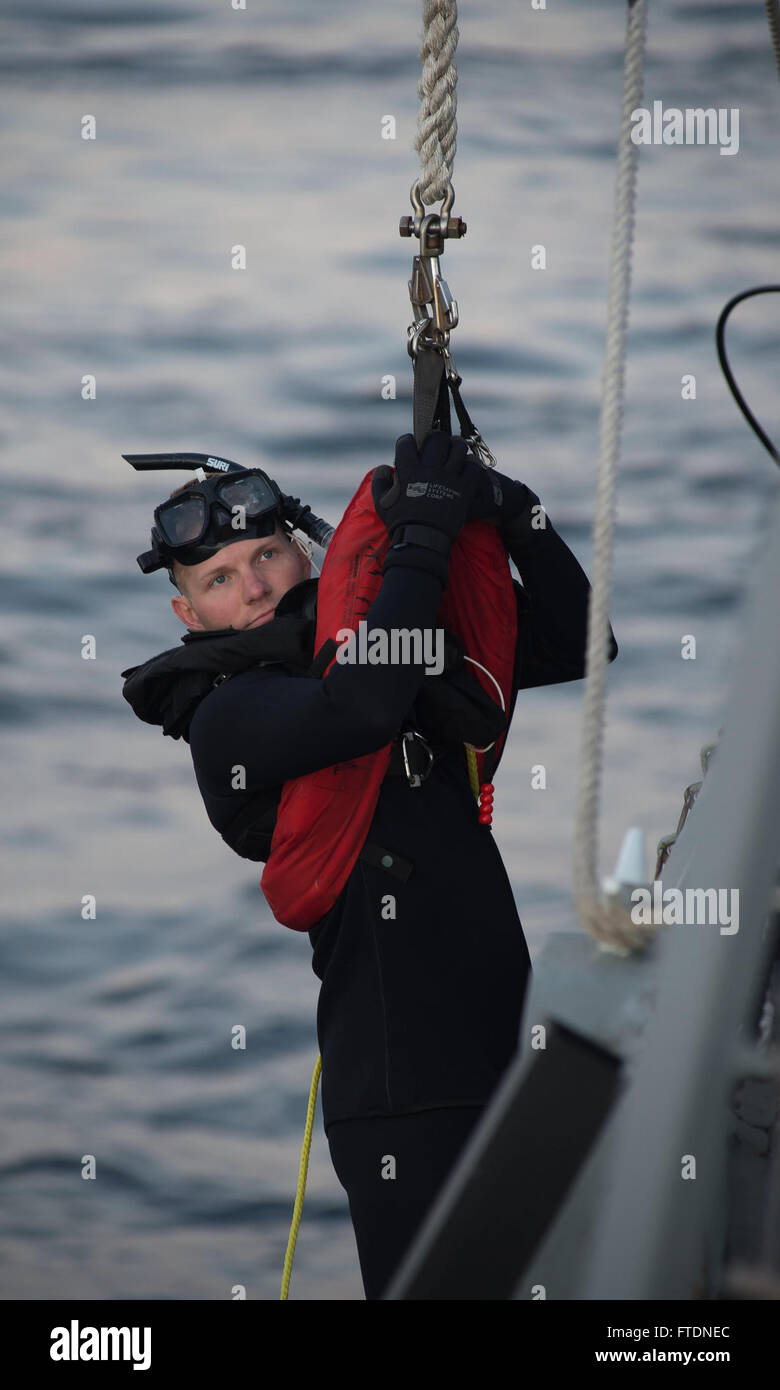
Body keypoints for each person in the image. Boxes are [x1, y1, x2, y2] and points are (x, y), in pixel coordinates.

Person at [122, 431, 618, 1299]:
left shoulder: (388, 638)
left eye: (267, 554)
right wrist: (421, 536)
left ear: (303, 549)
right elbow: (358, 707)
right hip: (401, 1091)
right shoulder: (226, 717)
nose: (256, 585)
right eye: (219, 580)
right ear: (188, 615)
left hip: (508, 1050)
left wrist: (505, 506)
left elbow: (583, 641)